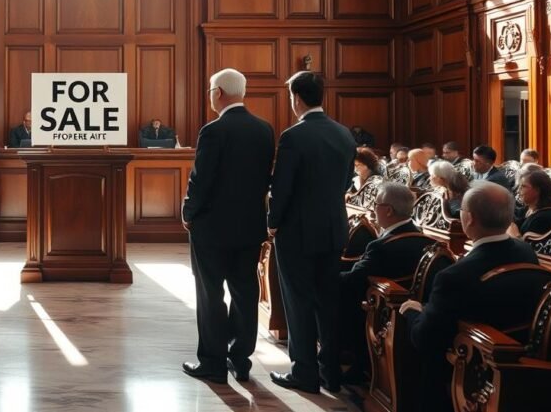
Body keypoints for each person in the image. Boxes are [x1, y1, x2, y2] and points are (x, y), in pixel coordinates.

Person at [400, 181, 543, 412]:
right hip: (521, 360)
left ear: (470, 219)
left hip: (466, 372)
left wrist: (413, 311)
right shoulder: (527, 252)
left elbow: (425, 338)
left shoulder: (454, 276)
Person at [180, 68, 275, 384]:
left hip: (212, 228)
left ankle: (213, 362)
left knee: (210, 293)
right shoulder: (265, 130)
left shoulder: (214, 130)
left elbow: (201, 180)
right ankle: (241, 360)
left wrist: (188, 212)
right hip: (249, 227)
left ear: (217, 92)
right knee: (245, 291)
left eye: (210, 89)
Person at [267, 71, 356, 394]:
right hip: (333, 228)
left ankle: (304, 373)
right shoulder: (344, 134)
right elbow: (347, 182)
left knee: (298, 302)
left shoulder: (293, 136)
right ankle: (330, 373)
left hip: (297, 232)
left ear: (296, 99)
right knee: (327, 302)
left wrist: (272, 222)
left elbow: (282, 188)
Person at [338, 183, 432, 385]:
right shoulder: (424, 239)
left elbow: (354, 280)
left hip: (379, 312)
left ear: (388, 210)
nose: (373, 208)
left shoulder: (380, 246)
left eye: (376, 204)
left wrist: (325, 278)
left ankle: (343, 360)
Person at [510, 170, 551, 237]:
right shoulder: (529, 208)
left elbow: (529, 246)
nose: (518, 191)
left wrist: (515, 235)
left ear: (538, 190)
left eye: (523, 186)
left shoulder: (545, 217)